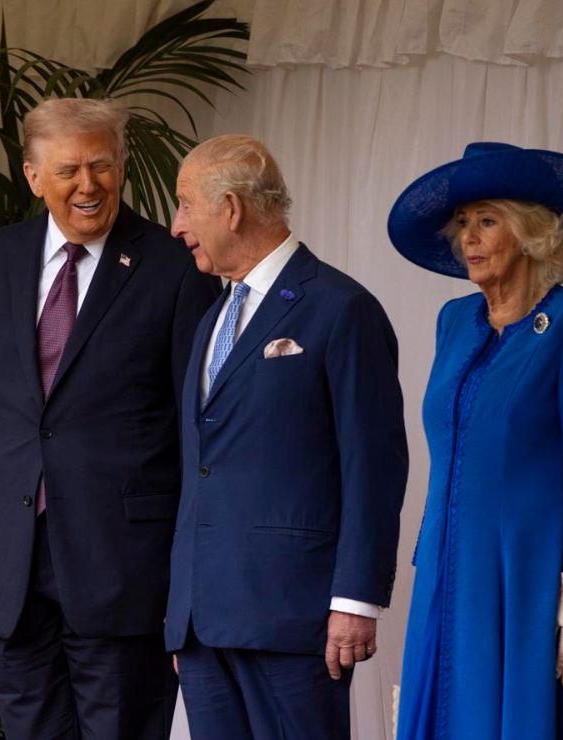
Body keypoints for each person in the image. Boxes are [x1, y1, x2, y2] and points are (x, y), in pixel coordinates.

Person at [0, 97, 220, 739]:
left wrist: (192, 577)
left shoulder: (175, 268)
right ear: (32, 176)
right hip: (9, 565)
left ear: (122, 165)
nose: (89, 186)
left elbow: (198, 428)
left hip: (125, 567)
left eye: (102, 166)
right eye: (68, 170)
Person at [163, 134, 409, 739]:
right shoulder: (210, 319)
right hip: (203, 620)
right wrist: (182, 608)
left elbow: (374, 465)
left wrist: (355, 601)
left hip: (293, 618)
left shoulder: (341, 308)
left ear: (230, 208)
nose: (175, 226)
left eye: (185, 204)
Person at [387, 142, 563, 739]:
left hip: (529, 572)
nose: (469, 237)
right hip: (445, 565)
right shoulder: (454, 322)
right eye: (463, 223)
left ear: (530, 233)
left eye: (487, 221)